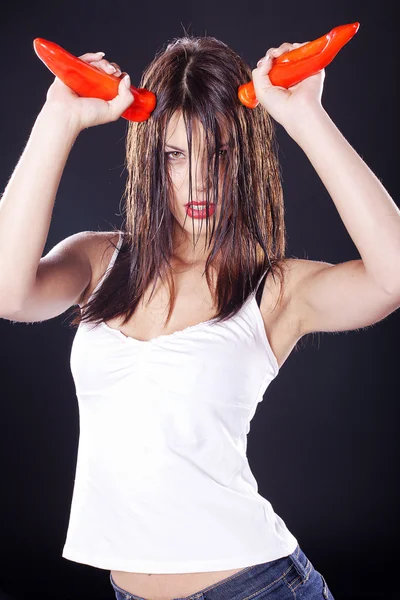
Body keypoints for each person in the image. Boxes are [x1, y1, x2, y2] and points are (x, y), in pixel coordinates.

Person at [1, 33, 399, 600]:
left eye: (220, 153)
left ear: (244, 160)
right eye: (175, 154)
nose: (199, 179)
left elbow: (394, 276)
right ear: (150, 159)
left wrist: (306, 116)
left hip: (257, 587)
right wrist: (57, 117)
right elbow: (7, 292)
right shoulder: (100, 260)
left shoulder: (275, 289)